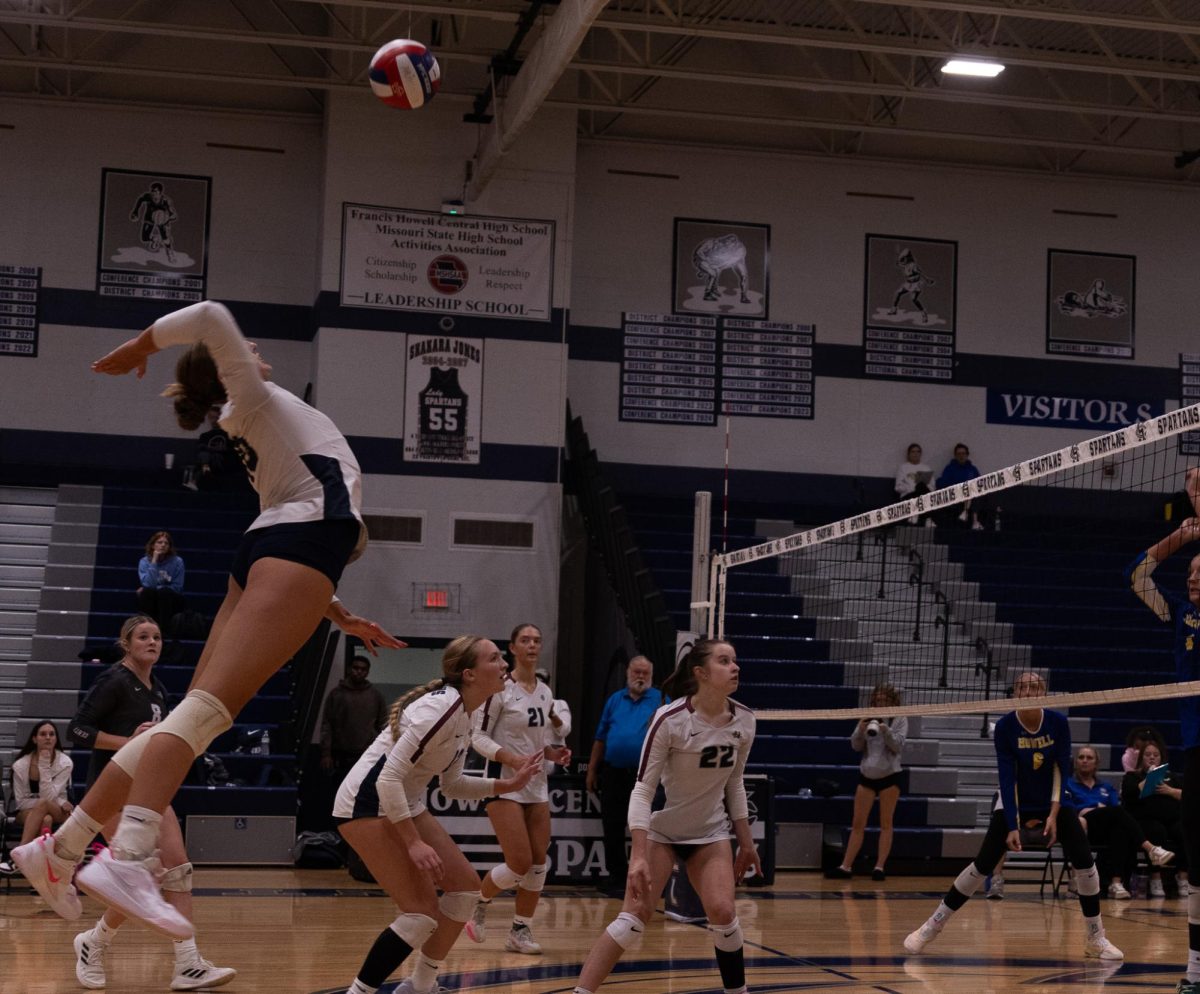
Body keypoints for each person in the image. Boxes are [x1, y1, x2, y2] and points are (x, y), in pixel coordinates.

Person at [12, 299, 403, 940]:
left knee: (190, 717)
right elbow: (212, 315)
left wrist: (332, 608)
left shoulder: (257, 413)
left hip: (275, 549)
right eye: (244, 352)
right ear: (228, 370)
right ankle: (130, 856)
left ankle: (61, 846)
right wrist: (143, 346)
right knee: (205, 716)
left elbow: (286, 518)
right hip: (303, 546)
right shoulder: (247, 396)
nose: (252, 349)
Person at [333, 636, 541, 994]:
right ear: (470, 674)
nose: (505, 664)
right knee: (420, 914)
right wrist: (413, 843)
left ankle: (421, 985)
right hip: (365, 804)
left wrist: (506, 786)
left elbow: (452, 785)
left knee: (464, 890)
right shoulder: (438, 710)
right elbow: (387, 779)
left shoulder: (467, 712)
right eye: (495, 658)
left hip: (403, 802)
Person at [571, 639, 759, 994]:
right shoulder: (670, 719)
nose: (735, 667)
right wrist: (638, 855)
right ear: (700, 673)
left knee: (722, 912)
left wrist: (746, 842)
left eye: (734, 660)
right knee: (633, 920)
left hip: (710, 833)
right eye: (724, 661)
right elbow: (642, 790)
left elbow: (734, 783)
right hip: (663, 833)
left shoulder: (745, 720)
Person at [904, 670, 1123, 961]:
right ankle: (932, 926)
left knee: (1084, 861)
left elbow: (1061, 770)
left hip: (1054, 800)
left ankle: (1095, 937)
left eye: (1035, 687)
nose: (1029, 691)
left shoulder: (1058, 722)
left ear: (1043, 693)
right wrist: (1012, 823)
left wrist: (1055, 814)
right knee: (982, 864)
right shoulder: (1007, 726)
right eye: (1023, 687)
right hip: (1015, 799)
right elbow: (1008, 778)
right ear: (1015, 694)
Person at [67, 614, 234, 990]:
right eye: (143, 636)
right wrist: (128, 742)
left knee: (177, 869)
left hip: (151, 789)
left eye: (157, 637)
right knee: (140, 877)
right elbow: (77, 729)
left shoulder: (157, 688)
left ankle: (188, 964)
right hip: (112, 790)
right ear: (126, 644)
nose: (152, 642)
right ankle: (93, 944)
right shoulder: (114, 681)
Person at [464, 623, 571, 955]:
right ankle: (479, 903)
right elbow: (477, 737)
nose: (532, 645)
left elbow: (541, 740)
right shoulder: (499, 689)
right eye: (525, 640)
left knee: (539, 864)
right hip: (505, 783)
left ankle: (520, 930)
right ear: (512, 648)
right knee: (520, 863)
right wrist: (511, 759)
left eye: (537, 640)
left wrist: (553, 752)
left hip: (537, 786)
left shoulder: (545, 691)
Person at [586, 655, 663, 895]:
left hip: (646, 776)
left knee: (647, 828)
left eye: (645, 673)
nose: (640, 677)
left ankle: (649, 877)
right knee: (612, 826)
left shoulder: (662, 700)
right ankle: (617, 878)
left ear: (651, 676)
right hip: (614, 773)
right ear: (628, 673)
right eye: (636, 672)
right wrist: (591, 769)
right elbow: (601, 737)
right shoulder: (615, 700)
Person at [1065, 744, 1175, 900]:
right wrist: (1089, 809)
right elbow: (1068, 809)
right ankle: (1150, 849)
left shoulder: (1106, 787)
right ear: (1075, 762)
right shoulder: (1069, 784)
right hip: (1082, 826)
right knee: (1116, 815)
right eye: (1081, 757)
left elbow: (1115, 808)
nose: (1084, 761)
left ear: (1096, 763)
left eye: (1089, 758)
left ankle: (1116, 884)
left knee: (1120, 828)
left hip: (1105, 828)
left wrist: (1102, 810)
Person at [829, 683, 907, 880]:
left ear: (892, 701)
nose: (880, 703)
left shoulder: (900, 717)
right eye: (877, 700)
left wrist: (885, 729)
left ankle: (879, 867)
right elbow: (855, 746)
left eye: (884, 700)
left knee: (886, 823)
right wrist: (861, 730)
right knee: (858, 822)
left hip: (890, 776)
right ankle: (846, 866)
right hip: (867, 776)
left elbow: (898, 746)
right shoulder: (868, 714)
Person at [1121, 740, 1188, 897]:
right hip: (1145, 820)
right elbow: (1129, 797)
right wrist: (1149, 779)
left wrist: (1170, 791)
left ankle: (1183, 875)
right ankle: (1155, 876)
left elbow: (1187, 796)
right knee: (1156, 830)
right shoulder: (1133, 776)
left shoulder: (1172, 776)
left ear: (1161, 758)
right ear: (1141, 758)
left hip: (1172, 819)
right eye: (1148, 755)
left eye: (1156, 755)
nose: (1152, 758)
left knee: (1185, 830)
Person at [320, 654, 389, 781]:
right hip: (340, 754)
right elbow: (327, 725)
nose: (359, 672)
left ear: (367, 672)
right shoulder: (337, 694)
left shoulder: (375, 696)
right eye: (356, 668)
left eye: (363, 669)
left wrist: (382, 753)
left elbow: (383, 725)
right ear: (349, 669)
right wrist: (326, 754)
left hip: (366, 753)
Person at [11, 720, 73, 846]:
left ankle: (21, 852)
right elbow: (21, 802)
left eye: (52, 734)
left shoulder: (65, 763)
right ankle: (41, 859)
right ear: (34, 739)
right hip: (27, 810)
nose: (48, 737)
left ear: (56, 739)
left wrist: (44, 765)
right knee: (46, 819)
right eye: (43, 734)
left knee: (44, 803)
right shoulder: (20, 766)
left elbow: (48, 797)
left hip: (58, 811)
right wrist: (60, 801)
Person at [137, 530, 186, 628]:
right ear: (152, 545)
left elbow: (178, 587)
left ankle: (164, 630)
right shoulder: (144, 562)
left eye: (166, 543)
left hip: (170, 597)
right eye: (159, 542)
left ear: (169, 547)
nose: (163, 545)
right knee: (147, 592)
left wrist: (159, 589)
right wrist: (154, 560)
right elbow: (148, 584)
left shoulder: (177, 562)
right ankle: (147, 627)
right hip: (153, 596)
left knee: (164, 592)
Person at [935, 443, 985, 530]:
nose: (961, 456)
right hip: (955, 495)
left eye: (963, 453)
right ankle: (967, 514)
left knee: (977, 495)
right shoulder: (949, 469)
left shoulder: (972, 469)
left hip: (970, 496)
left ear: (967, 455)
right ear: (955, 455)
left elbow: (979, 483)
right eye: (959, 454)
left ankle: (974, 521)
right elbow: (943, 483)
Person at [535, 665, 572, 776]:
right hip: (536, 757)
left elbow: (564, 731)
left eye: (543, 684)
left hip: (556, 760)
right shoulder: (526, 706)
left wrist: (551, 714)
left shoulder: (560, 704)